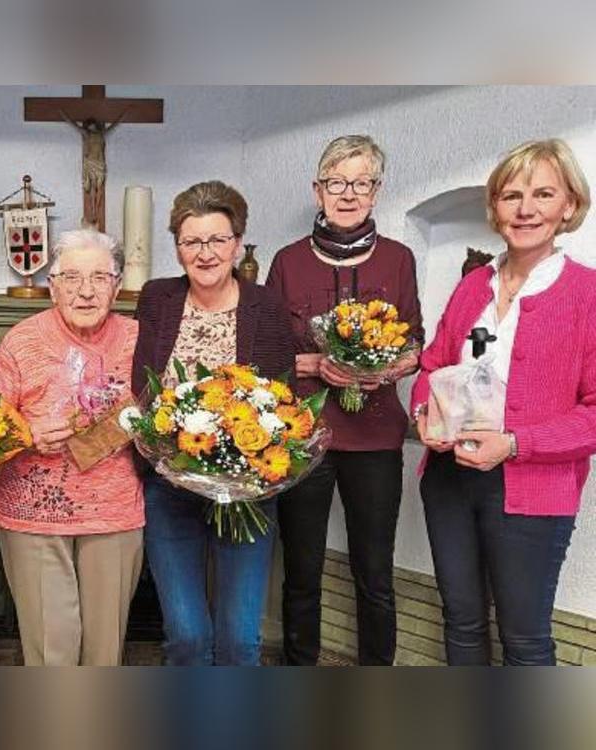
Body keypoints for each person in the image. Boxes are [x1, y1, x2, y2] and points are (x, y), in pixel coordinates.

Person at [413, 138, 594, 665]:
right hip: (448, 480)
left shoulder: (587, 294)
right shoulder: (473, 285)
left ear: (569, 206)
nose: (526, 209)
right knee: (462, 625)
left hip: (530, 490)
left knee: (524, 639)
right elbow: (432, 365)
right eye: (512, 195)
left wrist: (514, 443)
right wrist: (425, 412)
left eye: (543, 194)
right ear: (495, 208)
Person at [265, 135, 423, 666]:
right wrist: (315, 365)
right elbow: (266, 356)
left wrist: (388, 365)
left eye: (360, 182)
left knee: (374, 572)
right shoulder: (287, 262)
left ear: (376, 191)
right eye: (336, 182)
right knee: (302, 572)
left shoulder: (399, 260)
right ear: (318, 190)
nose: (347, 193)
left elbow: (415, 343)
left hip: (376, 438)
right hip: (305, 437)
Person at [132, 180, 295, 666]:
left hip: (246, 490)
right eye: (191, 242)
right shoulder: (157, 298)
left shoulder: (264, 305)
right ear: (178, 249)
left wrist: (251, 459)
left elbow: (284, 398)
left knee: (240, 638)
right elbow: (142, 386)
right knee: (184, 634)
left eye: (217, 240)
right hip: (170, 487)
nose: (205, 253)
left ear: (237, 244)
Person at [0, 228, 144, 666]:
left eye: (99, 277)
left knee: (104, 651)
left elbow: (164, 415)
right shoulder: (21, 340)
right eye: (71, 278)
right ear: (52, 286)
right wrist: (27, 434)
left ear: (116, 284)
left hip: (113, 511)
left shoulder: (139, 337)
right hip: (34, 513)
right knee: (51, 649)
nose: (86, 291)